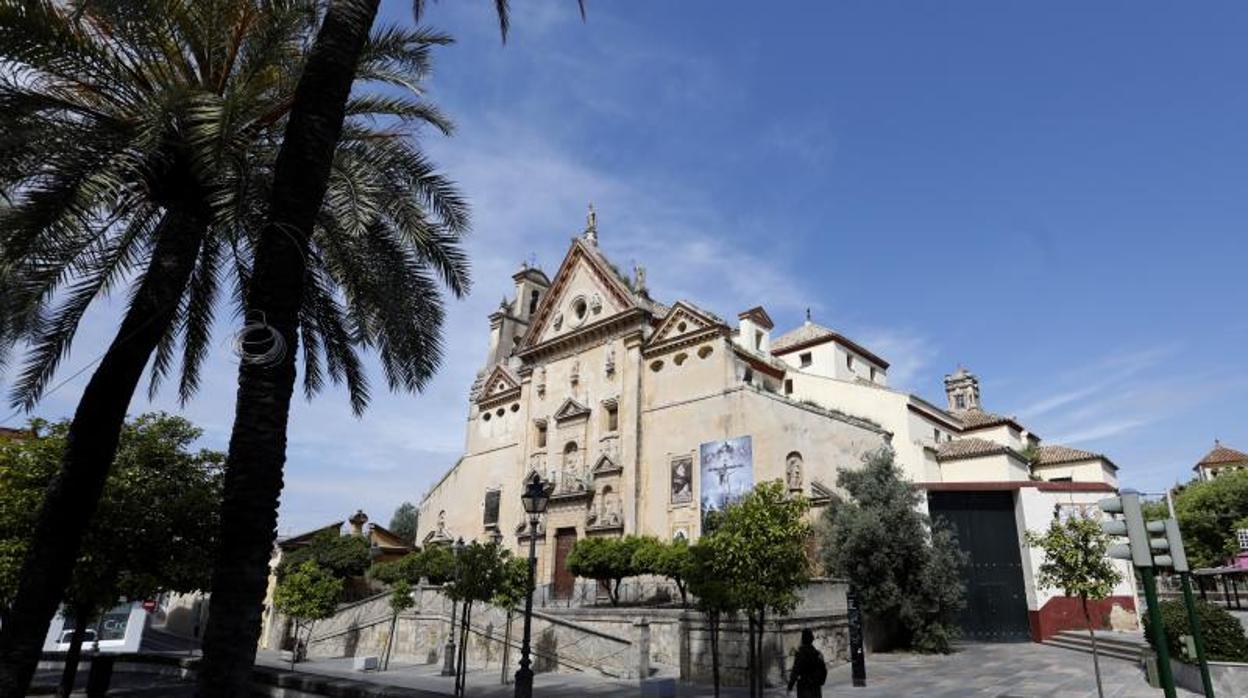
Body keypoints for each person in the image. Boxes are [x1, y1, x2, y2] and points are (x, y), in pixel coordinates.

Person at [787, 628, 827, 697]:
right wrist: (820, 681)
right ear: (812, 639)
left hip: (805, 686)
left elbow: (795, 671)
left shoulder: (801, 654)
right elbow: (824, 670)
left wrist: (790, 685)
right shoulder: (817, 654)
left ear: (803, 640)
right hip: (815, 687)